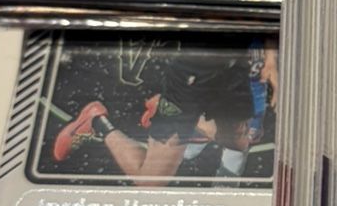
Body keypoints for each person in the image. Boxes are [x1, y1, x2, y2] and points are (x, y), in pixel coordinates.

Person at [52, 43, 275, 184]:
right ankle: (97, 121)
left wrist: (271, 61)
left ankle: (177, 114)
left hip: (233, 72)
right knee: (151, 181)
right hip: (195, 81)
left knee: (237, 142)